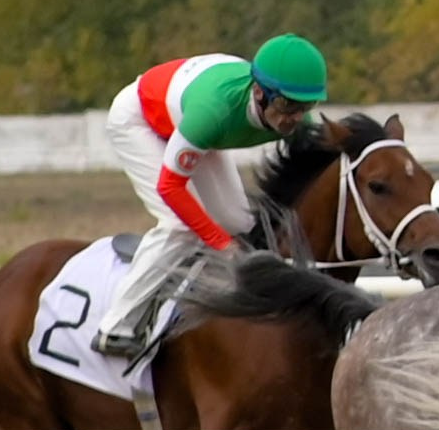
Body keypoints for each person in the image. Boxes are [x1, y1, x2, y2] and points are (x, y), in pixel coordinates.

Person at [90, 34, 328, 357]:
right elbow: (170, 187)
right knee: (181, 225)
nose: (295, 118)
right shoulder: (214, 113)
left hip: (195, 126)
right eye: (287, 105)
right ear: (259, 93)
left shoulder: (293, 116)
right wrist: (219, 243)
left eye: (306, 106)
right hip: (140, 121)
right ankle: (115, 327)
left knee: (241, 222)